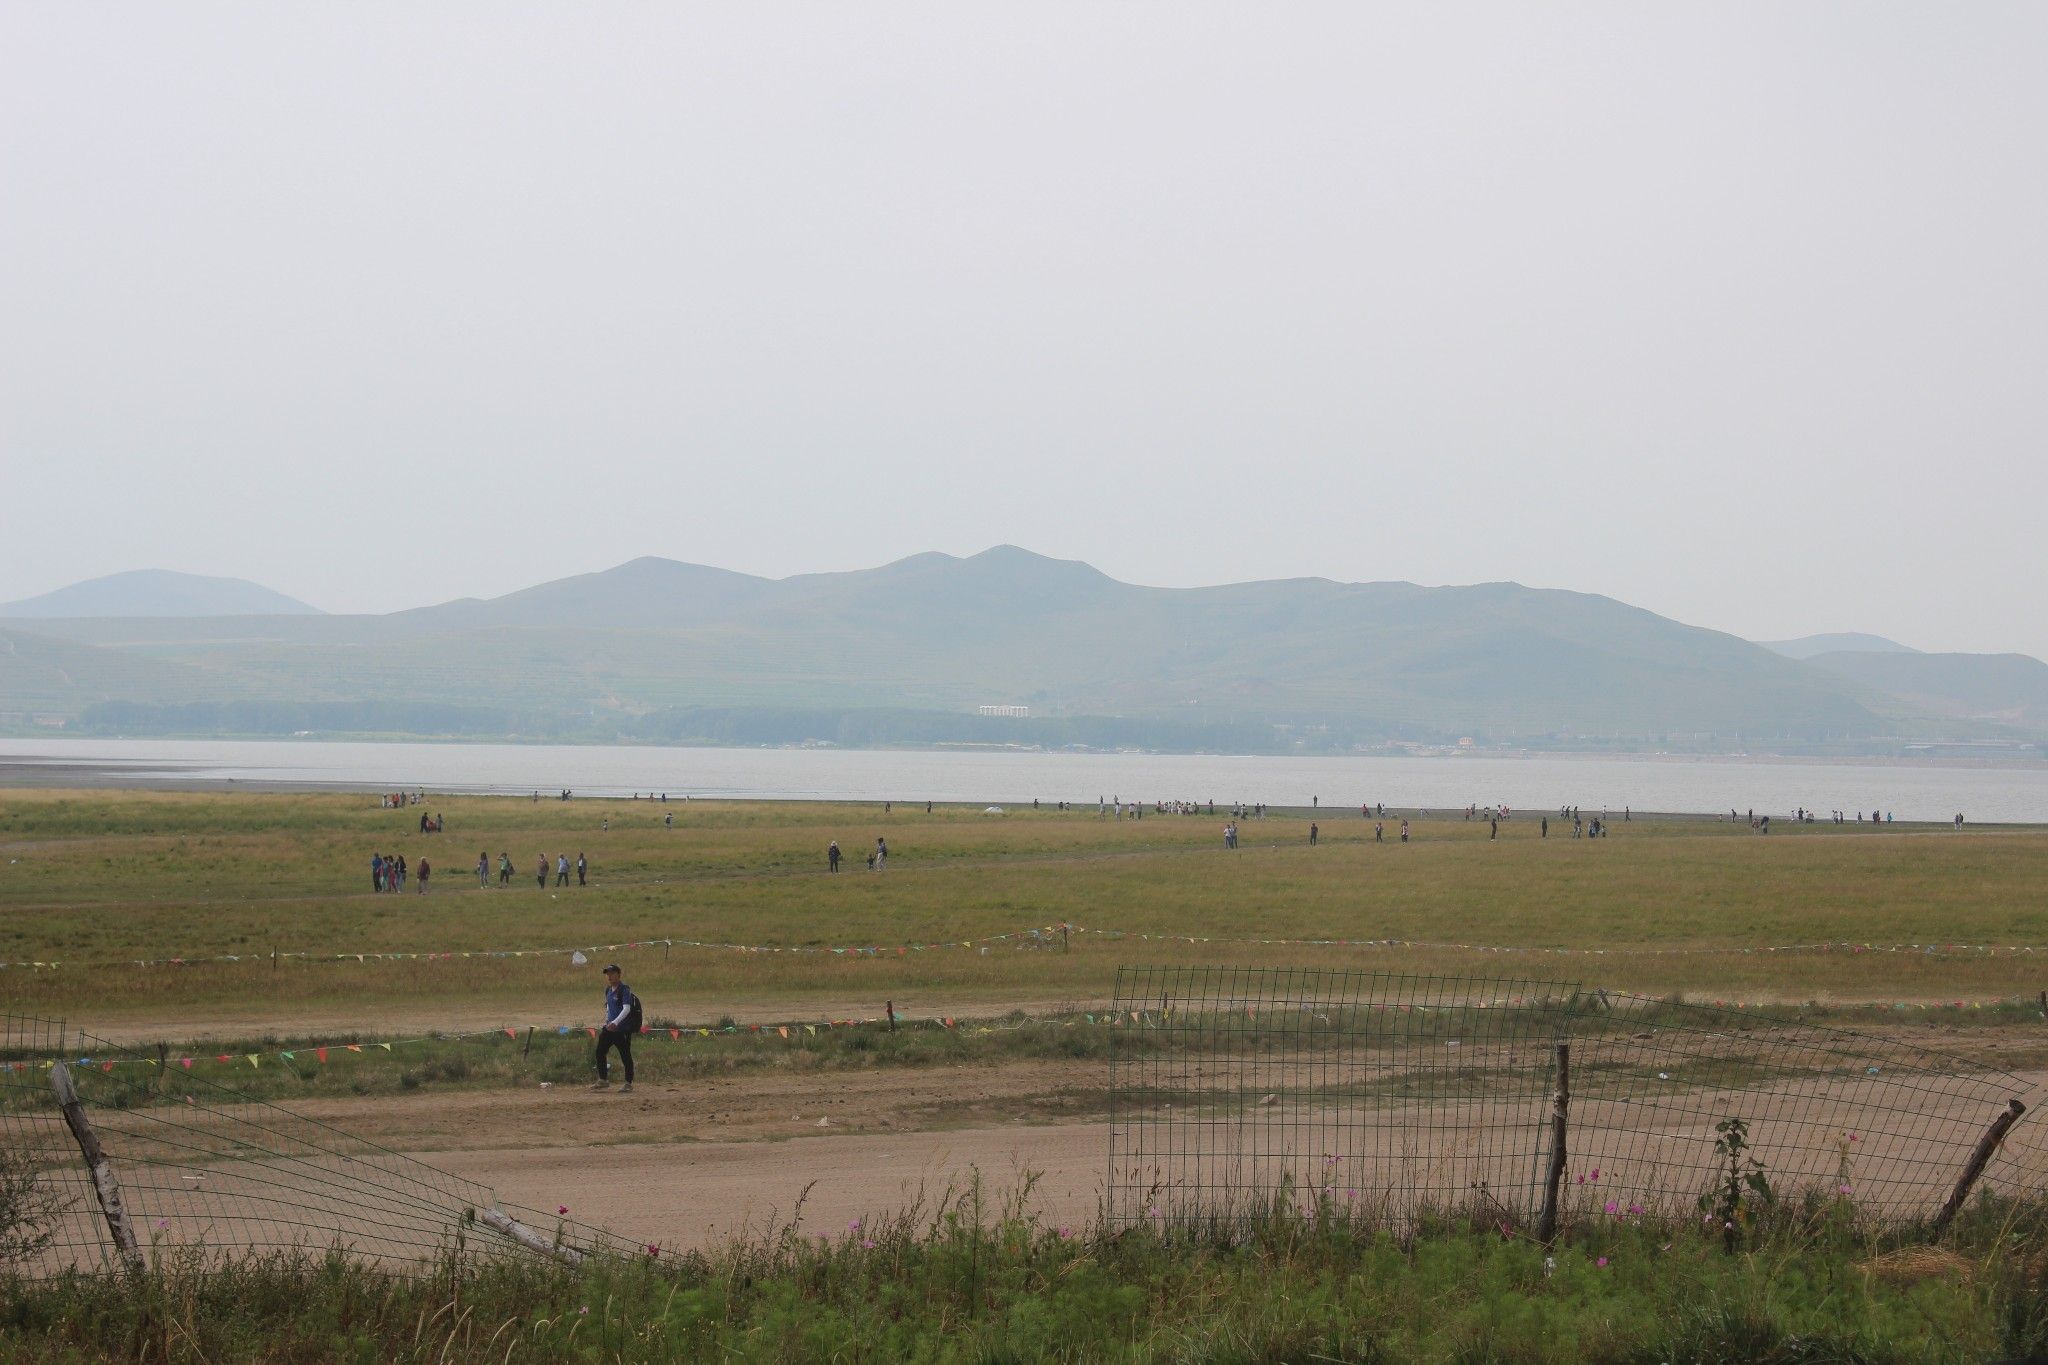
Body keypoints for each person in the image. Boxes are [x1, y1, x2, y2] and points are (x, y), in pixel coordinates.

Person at [591, 964, 639, 1092]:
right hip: (609, 1028)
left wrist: (616, 1023)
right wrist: (608, 1021)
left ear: (618, 974)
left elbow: (626, 1008)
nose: (609, 976)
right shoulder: (608, 990)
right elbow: (609, 1007)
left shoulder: (624, 990)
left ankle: (628, 1083)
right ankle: (603, 1080)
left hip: (621, 1029)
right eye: (608, 974)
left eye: (612, 973)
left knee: (625, 1056)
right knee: (600, 1051)